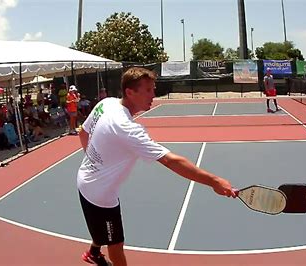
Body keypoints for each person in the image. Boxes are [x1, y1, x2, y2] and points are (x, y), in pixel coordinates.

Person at [76, 67, 236, 266]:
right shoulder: (128, 128)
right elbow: (171, 161)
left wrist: (93, 161)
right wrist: (214, 181)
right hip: (99, 195)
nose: (154, 94)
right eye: (149, 90)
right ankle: (96, 254)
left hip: (87, 179)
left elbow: (83, 132)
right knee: (115, 243)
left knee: (101, 229)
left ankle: (93, 251)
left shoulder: (106, 103)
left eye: (154, 89)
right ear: (130, 92)